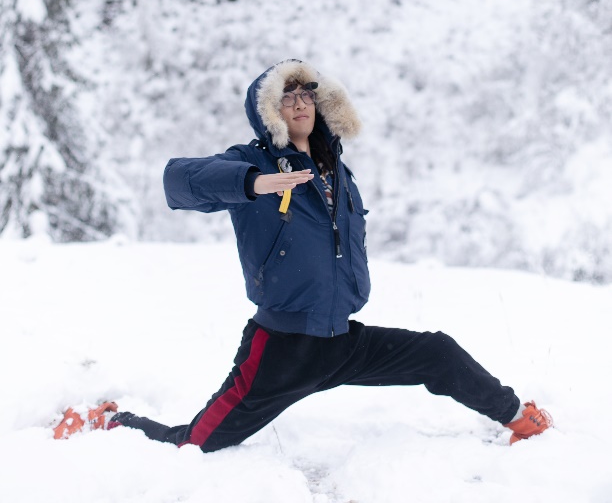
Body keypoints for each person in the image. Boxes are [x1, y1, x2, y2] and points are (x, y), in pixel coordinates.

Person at [53, 60, 552, 447]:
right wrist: (252, 182)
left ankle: (516, 417)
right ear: (269, 110)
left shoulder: (336, 168)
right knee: (196, 445)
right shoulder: (251, 161)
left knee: (436, 352)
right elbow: (176, 181)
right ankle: (112, 423)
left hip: (341, 341)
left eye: (307, 93)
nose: (299, 104)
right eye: (287, 96)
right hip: (281, 350)